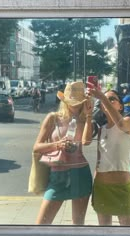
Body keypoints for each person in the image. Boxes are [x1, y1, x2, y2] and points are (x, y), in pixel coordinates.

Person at [33, 81, 93, 225]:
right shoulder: (53, 118)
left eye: (79, 102)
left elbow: (86, 142)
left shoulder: (85, 120)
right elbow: (36, 147)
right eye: (71, 101)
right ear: (64, 101)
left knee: (78, 224)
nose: (74, 105)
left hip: (80, 173)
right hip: (58, 174)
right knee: (41, 225)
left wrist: (89, 115)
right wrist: (57, 145)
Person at [87, 83, 130, 226]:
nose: (108, 101)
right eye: (105, 100)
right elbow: (99, 160)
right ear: (102, 107)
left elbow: (119, 125)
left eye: (112, 99)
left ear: (120, 106)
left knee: (128, 232)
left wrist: (102, 96)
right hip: (101, 187)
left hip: (122, 187)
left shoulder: (127, 121)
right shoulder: (101, 129)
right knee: (105, 232)